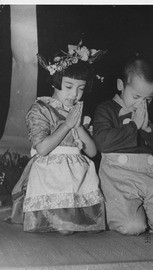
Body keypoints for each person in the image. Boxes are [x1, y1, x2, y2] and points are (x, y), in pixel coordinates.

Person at [7, 41, 107, 234]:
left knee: (78, 223)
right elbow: (42, 149)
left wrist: (78, 126)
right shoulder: (41, 109)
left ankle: (74, 216)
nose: (74, 94)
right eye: (69, 86)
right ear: (55, 81)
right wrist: (67, 125)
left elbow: (92, 152)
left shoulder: (78, 112)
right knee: (64, 226)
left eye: (80, 88)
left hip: (76, 171)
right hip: (49, 171)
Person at [93, 54, 153, 235]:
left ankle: (150, 215)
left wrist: (147, 127)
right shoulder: (105, 109)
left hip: (150, 172)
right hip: (118, 174)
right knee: (132, 227)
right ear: (121, 85)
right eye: (136, 96)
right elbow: (102, 142)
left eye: (148, 98)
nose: (141, 104)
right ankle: (130, 215)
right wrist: (134, 126)